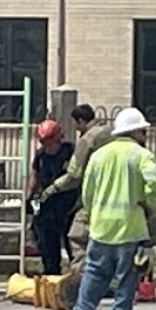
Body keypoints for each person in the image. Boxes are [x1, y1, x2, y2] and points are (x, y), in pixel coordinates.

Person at [69, 108, 156, 310]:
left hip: (101, 227)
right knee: (127, 277)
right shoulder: (141, 155)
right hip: (130, 228)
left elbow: (87, 191)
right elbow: (153, 182)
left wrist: (92, 214)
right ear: (134, 131)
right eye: (143, 130)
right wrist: (150, 205)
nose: (145, 134)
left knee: (93, 274)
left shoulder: (99, 155)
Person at [43, 104, 114, 272]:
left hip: (92, 197)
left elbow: (74, 175)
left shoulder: (88, 139)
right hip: (118, 196)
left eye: (76, 124)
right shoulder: (113, 133)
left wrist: (53, 188)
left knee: (77, 236)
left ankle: (82, 282)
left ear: (81, 121)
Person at [28, 118, 77, 275]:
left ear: (57, 138)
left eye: (48, 141)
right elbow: (34, 175)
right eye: (42, 142)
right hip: (48, 203)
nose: (46, 146)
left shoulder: (69, 152)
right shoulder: (41, 155)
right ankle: (51, 272)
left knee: (72, 241)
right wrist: (29, 196)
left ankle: (78, 273)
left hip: (68, 204)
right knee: (47, 241)